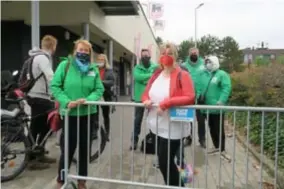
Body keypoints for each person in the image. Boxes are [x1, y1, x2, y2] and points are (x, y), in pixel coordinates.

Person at [51, 39, 104, 189]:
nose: (83, 52)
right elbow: (55, 86)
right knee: (67, 149)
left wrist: (87, 100)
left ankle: (82, 181)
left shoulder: (93, 68)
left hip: (88, 114)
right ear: (75, 51)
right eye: (80, 49)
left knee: (84, 149)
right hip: (69, 114)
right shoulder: (65, 66)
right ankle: (61, 180)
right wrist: (67, 102)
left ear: (90, 53)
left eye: (86, 50)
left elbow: (99, 89)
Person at [142, 43, 195, 186]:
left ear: (175, 56)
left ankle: (180, 185)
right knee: (164, 162)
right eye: (163, 53)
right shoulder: (156, 75)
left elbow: (190, 97)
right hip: (155, 126)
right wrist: (146, 100)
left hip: (173, 128)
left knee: (166, 163)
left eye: (170, 53)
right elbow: (146, 93)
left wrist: (166, 103)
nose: (166, 56)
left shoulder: (182, 75)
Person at [27, 35, 57, 170]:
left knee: (43, 126)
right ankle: (31, 159)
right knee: (38, 126)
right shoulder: (42, 58)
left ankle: (39, 153)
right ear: (53, 46)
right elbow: (51, 77)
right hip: (39, 96)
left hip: (37, 96)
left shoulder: (35, 56)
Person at [196, 55, 231, 161]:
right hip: (207, 108)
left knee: (219, 129)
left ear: (215, 63)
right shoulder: (206, 75)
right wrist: (199, 95)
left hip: (217, 108)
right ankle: (216, 147)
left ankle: (222, 149)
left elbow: (226, 87)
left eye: (210, 62)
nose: (207, 64)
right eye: (207, 62)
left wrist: (221, 100)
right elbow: (200, 87)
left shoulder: (222, 74)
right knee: (211, 128)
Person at [130, 49, 158, 150]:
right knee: (137, 120)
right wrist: (151, 76)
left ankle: (153, 140)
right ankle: (134, 141)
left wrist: (146, 79)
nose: (145, 57)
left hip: (152, 99)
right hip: (139, 99)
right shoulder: (136, 68)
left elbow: (157, 76)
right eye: (143, 56)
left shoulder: (155, 66)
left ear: (150, 56)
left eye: (147, 55)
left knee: (153, 120)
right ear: (141, 57)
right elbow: (138, 77)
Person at [180, 47, 206, 148]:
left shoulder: (204, 64)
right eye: (192, 52)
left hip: (200, 97)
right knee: (188, 119)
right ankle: (188, 138)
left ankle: (202, 139)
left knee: (201, 120)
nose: (194, 54)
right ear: (189, 54)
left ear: (198, 54)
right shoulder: (184, 65)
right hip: (187, 97)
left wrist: (202, 93)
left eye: (196, 52)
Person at [94, 53, 115, 140]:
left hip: (105, 95)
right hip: (95, 95)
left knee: (105, 116)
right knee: (95, 115)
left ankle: (107, 134)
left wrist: (101, 82)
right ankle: (94, 133)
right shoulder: (94, 69)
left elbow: (112, 82)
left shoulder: (109, 71)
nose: (100, 62)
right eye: (99, 60)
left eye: (102, 60)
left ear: (105, 61)